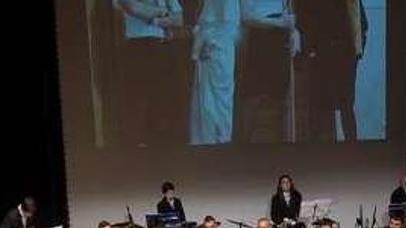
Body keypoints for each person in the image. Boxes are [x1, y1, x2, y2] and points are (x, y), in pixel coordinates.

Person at [190, 0, 294, 145]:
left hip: (224, 40)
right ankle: (212, 144)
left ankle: (220, 143)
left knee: (220, 100)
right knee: (212, 101)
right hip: (215, 41)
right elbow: (211, 16)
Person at [112, 0, 185, 147]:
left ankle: (161, 150)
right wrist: (163, 11)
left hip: (162, 47)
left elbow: (179, 19)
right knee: (137, 104)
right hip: (136, 47)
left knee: (162, 105)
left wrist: (154, 19)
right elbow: (133, 7)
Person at [296, 0, 368, 142]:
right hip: (329, 53)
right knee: (327, 106)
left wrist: (358, 49)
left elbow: (361, 22)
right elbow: (304, 20)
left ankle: (348, 149)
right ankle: (345, 149)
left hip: (340, 53)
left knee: (339, 106)